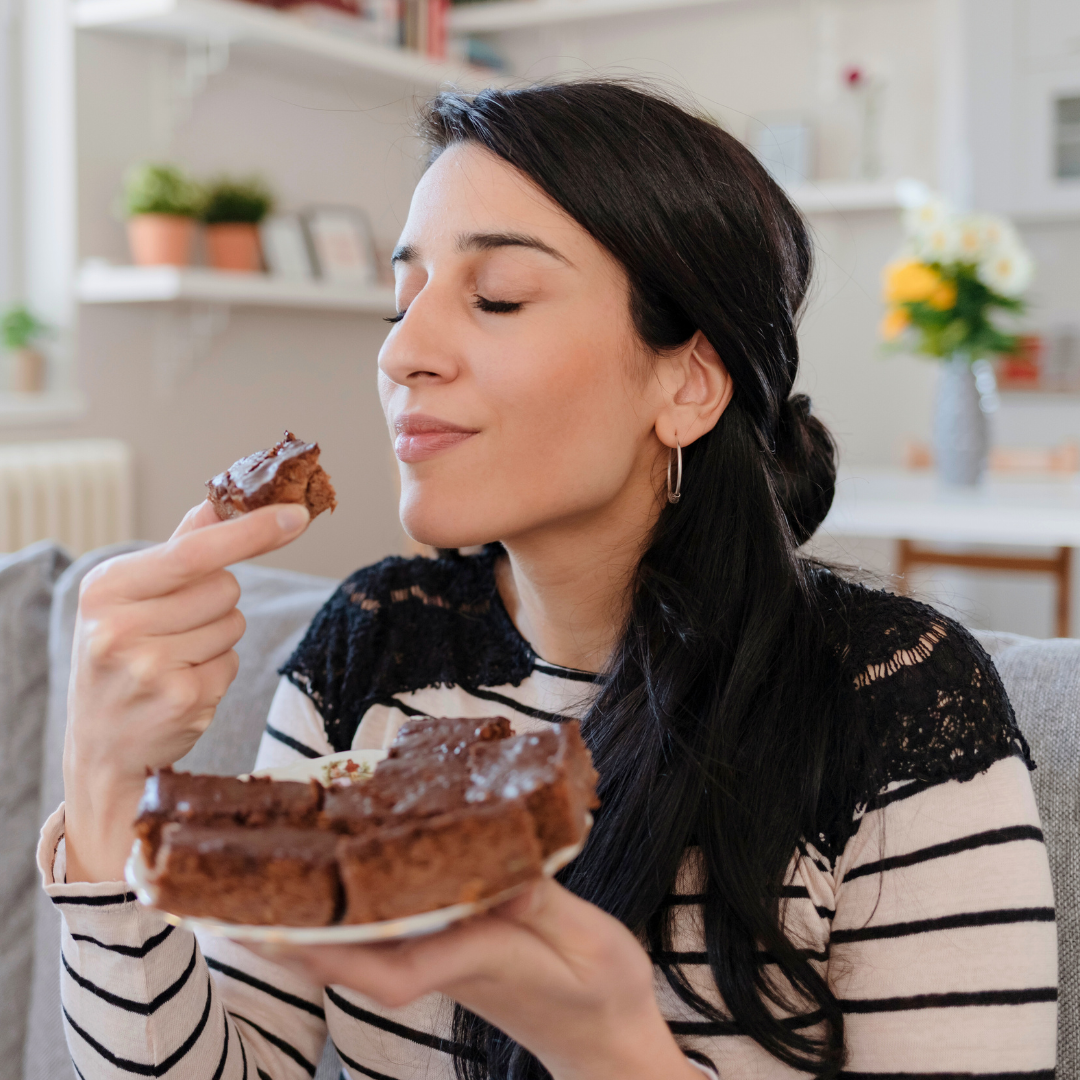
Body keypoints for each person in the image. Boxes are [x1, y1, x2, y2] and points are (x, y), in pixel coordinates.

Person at [44, 80, 1057, 1080]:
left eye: (497, 298)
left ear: (687, 383)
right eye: (402, 301)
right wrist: (100, 782)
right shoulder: (374, 647)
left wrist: (603, 1051)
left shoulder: (894, 704)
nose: (402, 352)